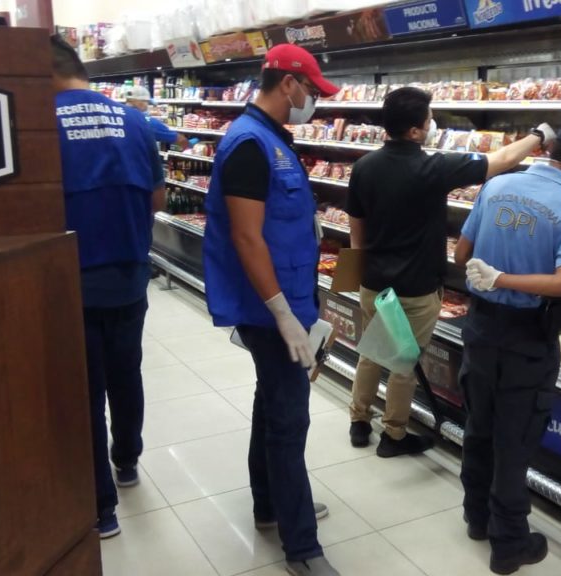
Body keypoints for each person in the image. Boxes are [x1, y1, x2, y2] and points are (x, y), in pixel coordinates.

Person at [344, 86, 556, 457]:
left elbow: (355, 227)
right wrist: (539, 135)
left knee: (372, 351)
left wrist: (353, 276)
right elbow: (502, 159)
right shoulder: (433, 168)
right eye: (428, 119)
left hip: (373, 283)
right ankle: (393, 435)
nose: (431, 124)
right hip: (416, 289)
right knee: (404, 364)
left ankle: (359, 421)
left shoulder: (364, 167)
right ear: (415, 130)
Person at [453, 117, 561, 575]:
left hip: (480, 329)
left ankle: (476, 518)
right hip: (528, 337)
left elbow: (461, 255)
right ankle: (509, 544)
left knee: (479, 426)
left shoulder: (496, 185)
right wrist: (507, 278)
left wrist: (492, 273)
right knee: (515, 439)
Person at [202, 44, 341, 576]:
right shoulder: (249, 144)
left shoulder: (270, 138)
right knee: (289, 420)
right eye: (312, 91)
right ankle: (301, 547)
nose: (314, 102)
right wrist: (283, 314)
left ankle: (269, 506)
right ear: (289, 84)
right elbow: (246, 236)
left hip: (288, 298)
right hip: (269, 308)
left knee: (271, 403)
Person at [50, 35, 165, 539]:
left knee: (86, 389)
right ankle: (128, 459)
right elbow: (158, 198)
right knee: (126, 372)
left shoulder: (42, 123)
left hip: (72, 280)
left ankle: (102, 509)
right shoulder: (135, 121)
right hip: (130, 275)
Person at [124, 85, 190, 149]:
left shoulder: (120, 118)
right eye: (147, 102)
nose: (147, 105)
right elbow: (180, 140)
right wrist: (191, 146)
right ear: (141, 102)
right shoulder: (147, 122)